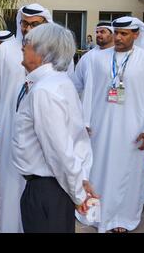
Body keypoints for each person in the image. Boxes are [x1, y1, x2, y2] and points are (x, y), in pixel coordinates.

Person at [77, 16, 144, 233]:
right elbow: (88, 92)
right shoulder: (96, 59)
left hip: (132, 132)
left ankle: (121, 219)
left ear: (136, 35)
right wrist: (85, 121)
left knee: (128, 176)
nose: (118, 37)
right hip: (99, 129)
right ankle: (95, 214)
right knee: (96, 171)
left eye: (124, 34)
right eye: (116, 32)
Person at [12, 23, 96, 233]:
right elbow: (77, 140)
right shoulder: (59, 82)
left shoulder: (45, 91)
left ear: (43, 51)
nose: (22, 48)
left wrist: (79, 194)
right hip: (54, 188)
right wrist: (81, 179)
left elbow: (60, 152)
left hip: (47, 190)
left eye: (27, 43)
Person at [0, 3, 54, 233]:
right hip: (10, 125)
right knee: (10, 181)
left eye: (34, 24)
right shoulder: (5, 50)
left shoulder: (54, 50)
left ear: (45, 24)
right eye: (24, 23)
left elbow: (67, 88)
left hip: (44, 129)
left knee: (40, 182)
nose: (28, 28)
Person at [72, 21, 114, 94]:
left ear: (113, 34)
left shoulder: (120, 55)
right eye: (97, 32)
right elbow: (77, 84)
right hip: (92, 102)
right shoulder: (87, 57)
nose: (98, 34)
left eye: (102, 32)